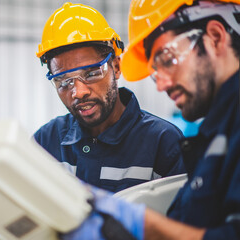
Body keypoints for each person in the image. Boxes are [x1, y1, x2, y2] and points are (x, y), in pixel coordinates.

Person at [61, 0, 240, 239]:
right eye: (156, 71)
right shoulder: (218, 133)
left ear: (216, 37)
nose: (162, 85)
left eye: (167, 59)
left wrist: (145, 226)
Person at [34, 2, 185, 193]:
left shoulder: (162, 143)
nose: (79, 92)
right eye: (63, 81)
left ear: (116, 67)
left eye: (91, 74)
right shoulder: (46, 141)